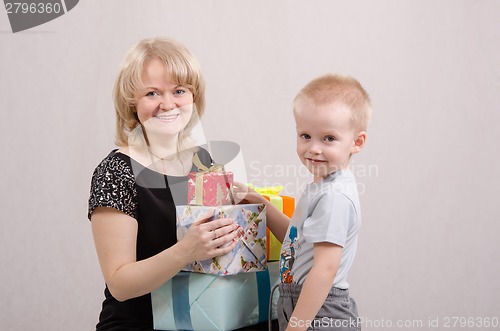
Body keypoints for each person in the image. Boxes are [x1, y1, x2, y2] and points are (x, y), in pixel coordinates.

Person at [87, 37, 241, 331]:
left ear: (194, 97)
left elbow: (221, 256)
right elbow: (120, 284)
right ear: (132, 101)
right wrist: (187, 250)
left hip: (200, 320)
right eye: (152, 93)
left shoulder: (205, 161)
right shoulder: (115, 172)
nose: (167, 104)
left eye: (179, 91)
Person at [234, 74, 371, 331]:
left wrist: (296, 327)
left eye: (328, 138)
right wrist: (262, 204)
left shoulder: (333, 197)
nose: (314, 148)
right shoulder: (323, 186)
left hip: (319, 311)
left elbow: (325, 270)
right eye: (305, 135)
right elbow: (298, 242)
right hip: (307, 305)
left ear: (357, 142)